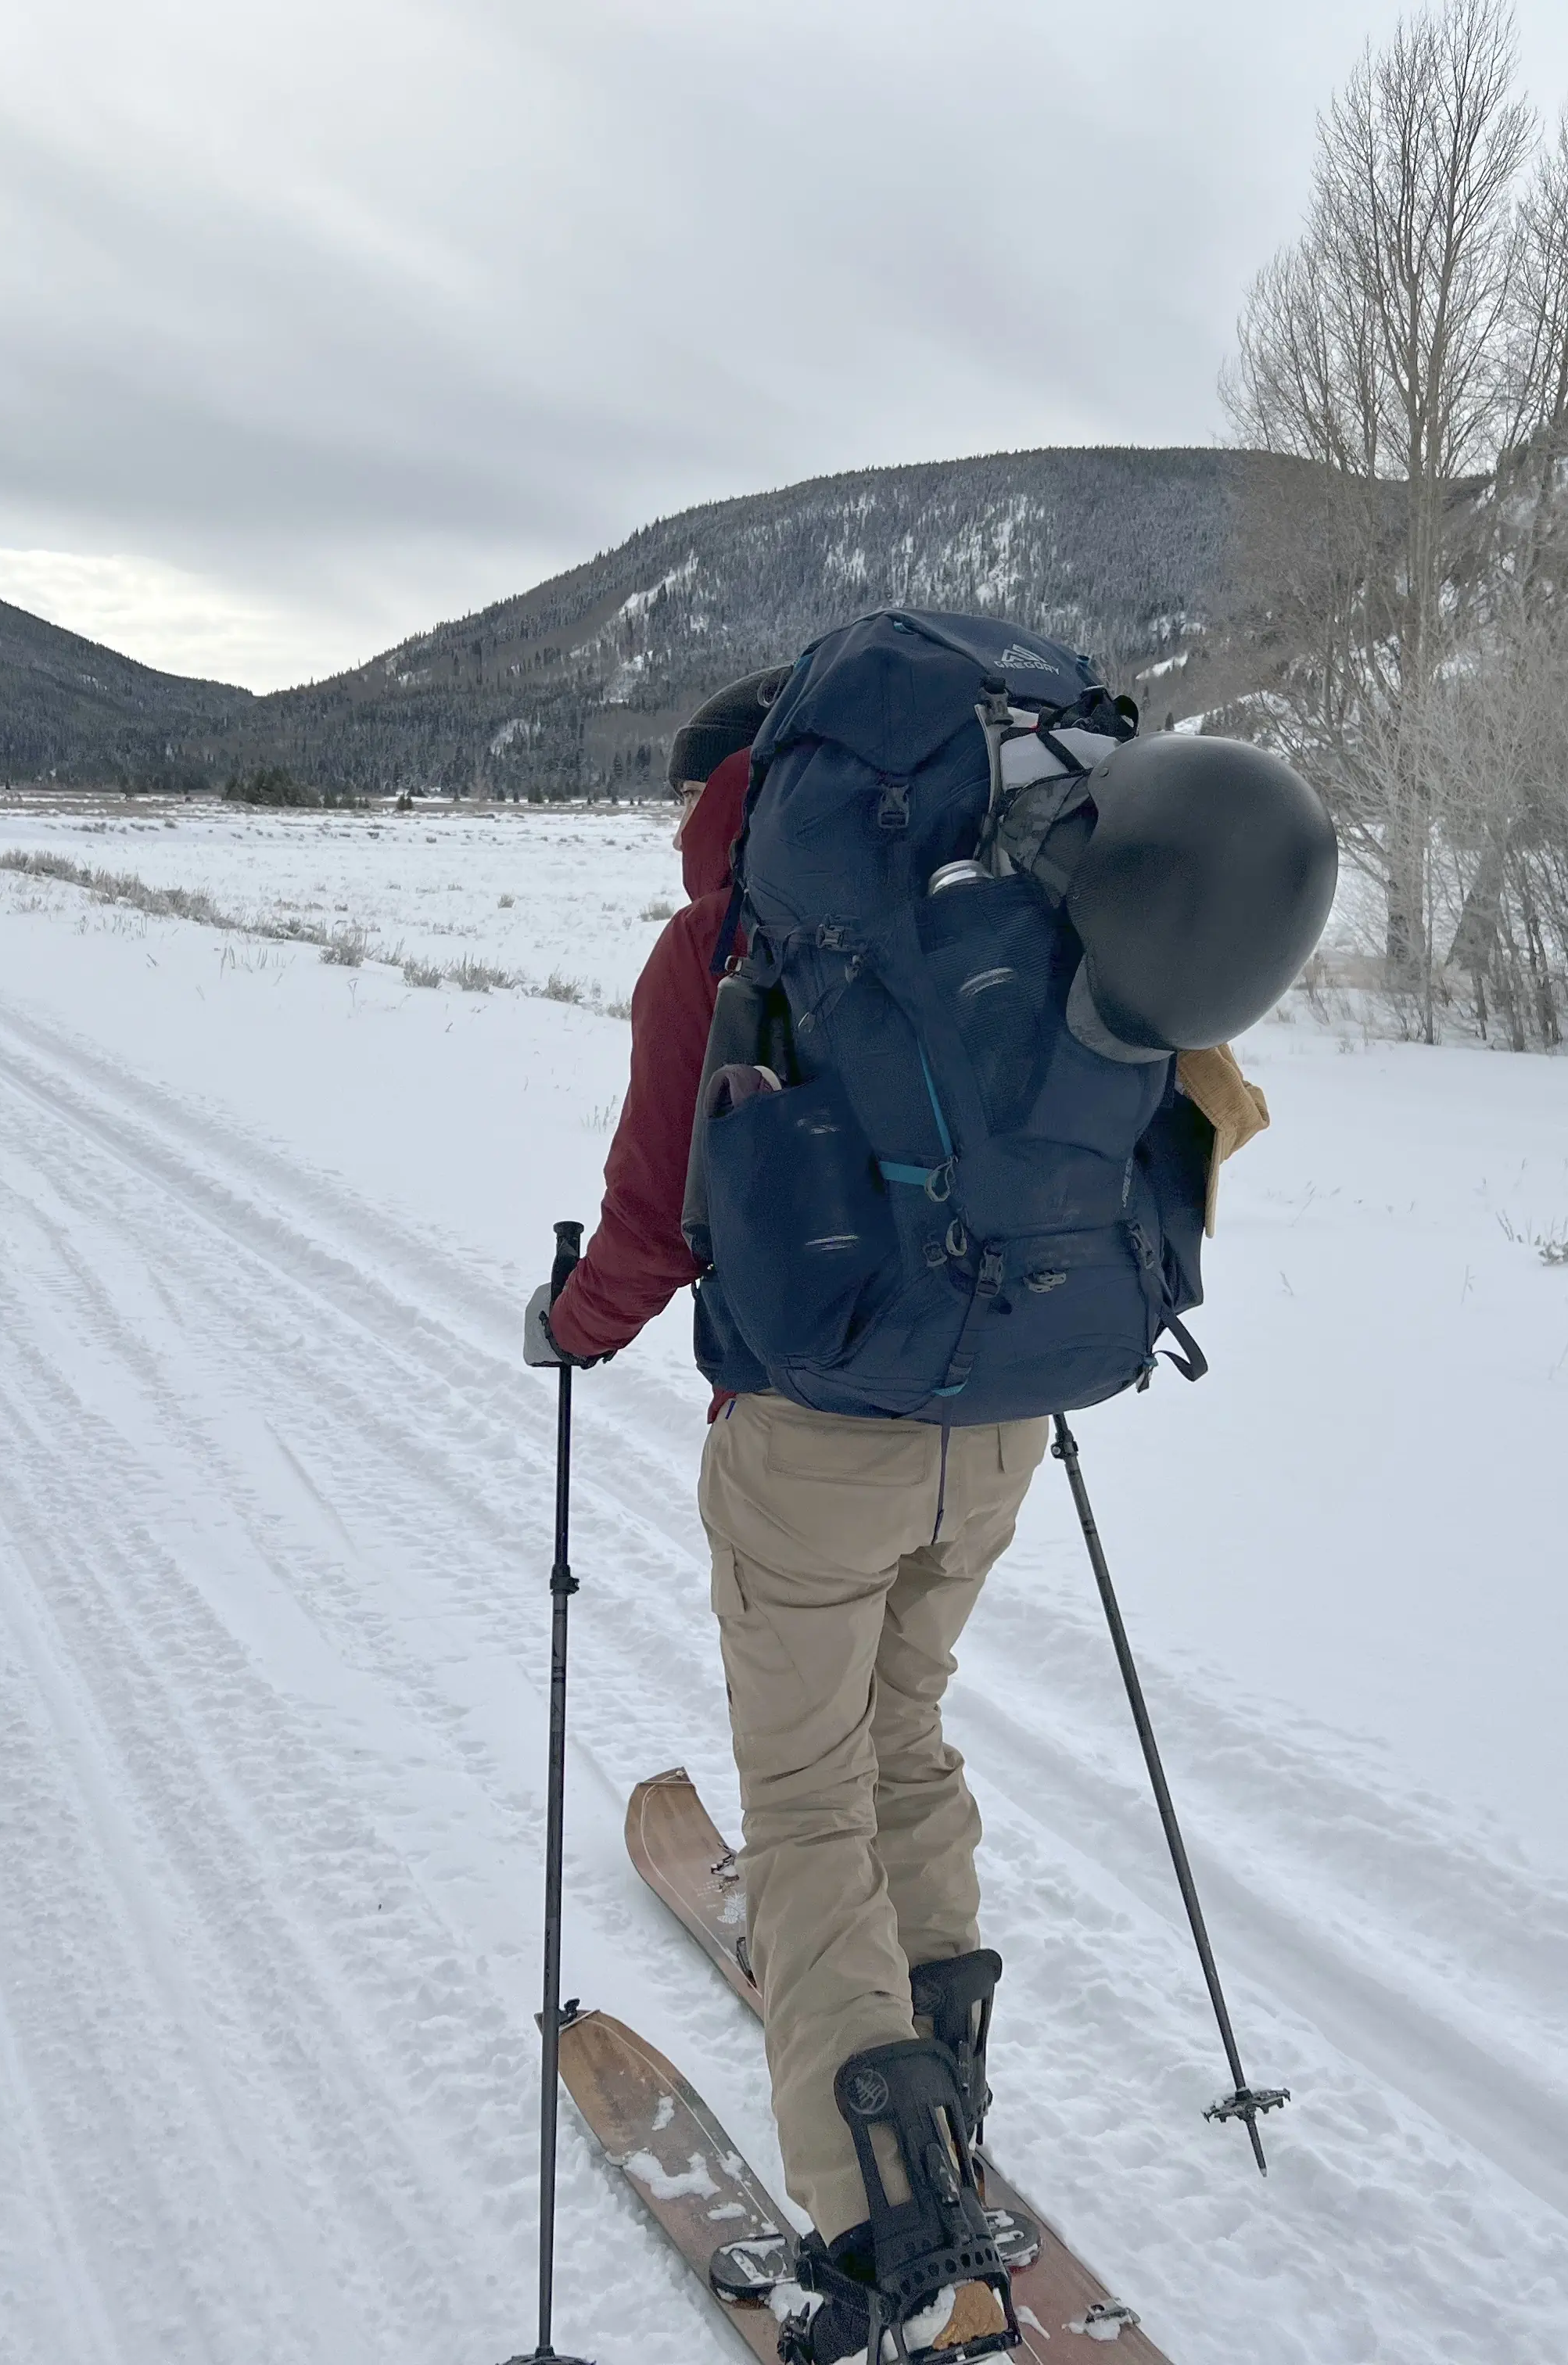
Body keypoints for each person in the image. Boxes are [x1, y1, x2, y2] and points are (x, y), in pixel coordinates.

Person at [526, 673, 1029, 2362]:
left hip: (817, 1442)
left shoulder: (728, 948)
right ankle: (940, 2118)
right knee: (907, 1748)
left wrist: (573, 1325)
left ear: (711, 798)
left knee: (808, 1805)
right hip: (1001, 1417)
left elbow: (657, 1220)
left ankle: (888, 2238)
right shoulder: (994, 910)